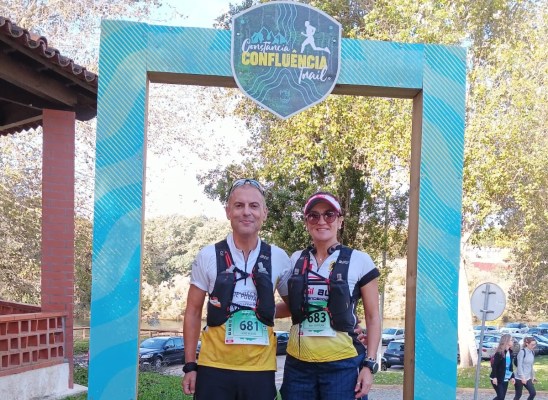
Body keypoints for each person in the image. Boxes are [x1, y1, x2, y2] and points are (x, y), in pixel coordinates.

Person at [181, 178, 291, 400]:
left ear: (264, 213)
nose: (246, 212)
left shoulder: (279, 257)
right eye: (239, 205)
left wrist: (261, 310)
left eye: (254, 206)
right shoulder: (208, 255)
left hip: (260, 369)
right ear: (228, 211)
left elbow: (293, 307)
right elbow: (192, 312)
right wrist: (190, 365)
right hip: (213, 366)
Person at [277, 191, 381, 400]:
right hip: (298, 365)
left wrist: (369, 365)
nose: (321, 221)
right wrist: (253, 308)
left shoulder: (360, 260)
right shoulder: (296, 259)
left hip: (343, 364)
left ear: (340, 221)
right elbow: (291, 307)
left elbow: (373, 317)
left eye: (329, 214)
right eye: (313, 216)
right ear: (306, 222)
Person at [490, 334, 516, 400]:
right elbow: (494, 366)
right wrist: (494, 377)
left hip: (505, 378)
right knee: (500, 397)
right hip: (498, 378)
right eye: (511, 340)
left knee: (502, 397)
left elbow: (510, 366)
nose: (513, 341)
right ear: (506, 341)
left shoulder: (510, 352)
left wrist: (512, 377)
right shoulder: (499, 353)